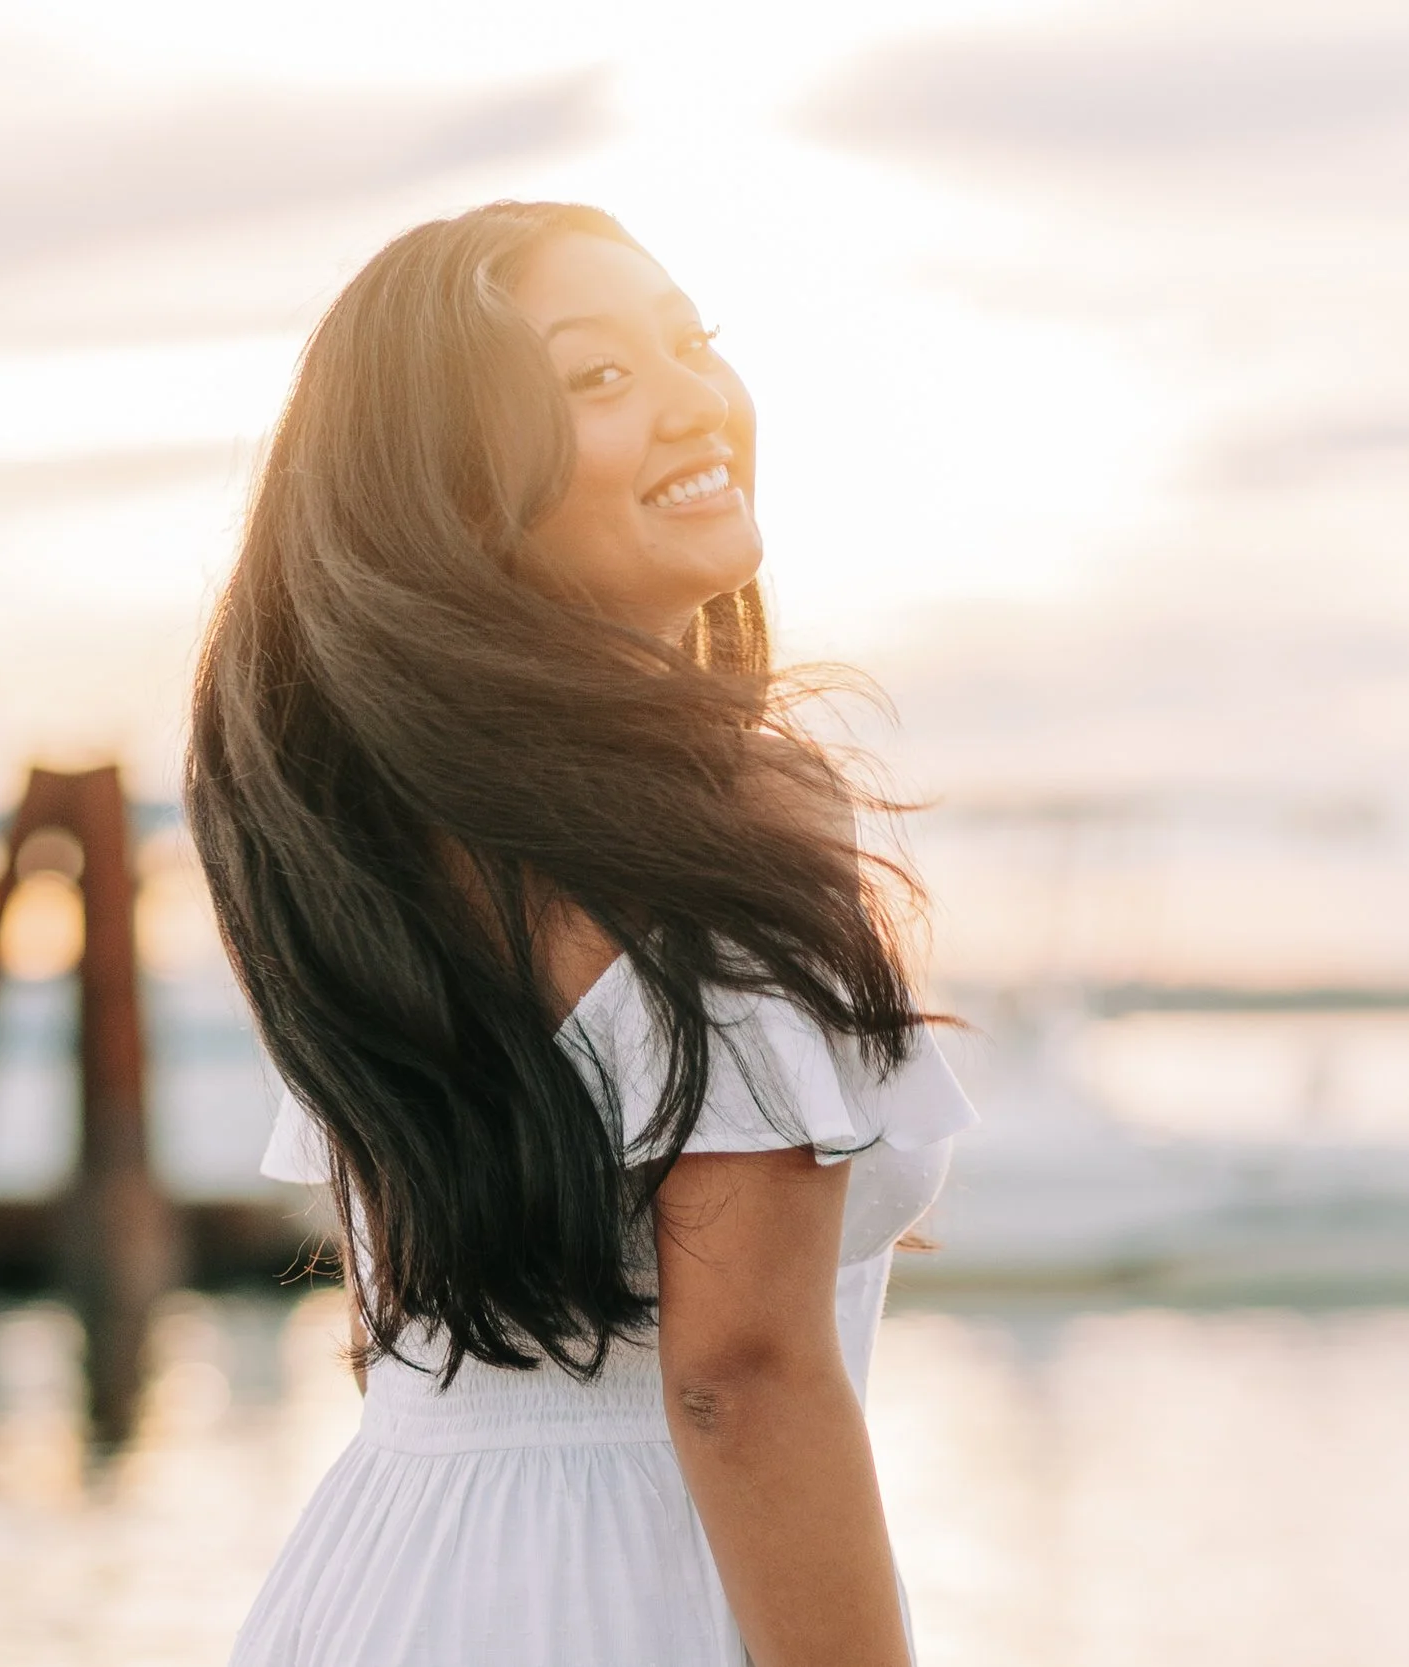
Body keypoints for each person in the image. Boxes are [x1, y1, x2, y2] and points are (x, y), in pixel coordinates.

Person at [185, 200, 977, 1667]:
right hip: (628, 1590)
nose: (693, 399)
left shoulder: (376, 839)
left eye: (690, 344)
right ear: (459, 489)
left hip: (381, 1582)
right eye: (597, 378)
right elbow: (739, 1372)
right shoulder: (721, 812)